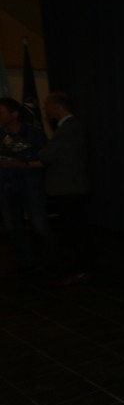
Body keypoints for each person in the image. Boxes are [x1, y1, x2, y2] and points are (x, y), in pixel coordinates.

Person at [39, 92, 92, 284]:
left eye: (47, 105)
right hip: (70, 187)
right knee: (74, 230)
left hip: (69, 188)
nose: (45, 109)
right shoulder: (70, 127)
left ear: (57, 107)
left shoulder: (68, 128)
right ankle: (79, 267)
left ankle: (80, 268)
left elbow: (46, 155)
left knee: (75, 231)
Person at [0, 97, 56, 275]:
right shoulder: (1, 135)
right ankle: (27, 261)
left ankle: (50, 261)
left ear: (14, 114)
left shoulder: (34, 133)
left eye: (1, 112)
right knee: (12, 227)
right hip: (6, 187)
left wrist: (21, 164)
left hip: (31, 185)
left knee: (39, 226)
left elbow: (46, 159)